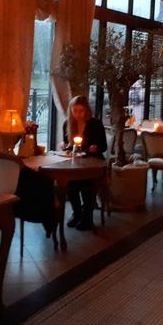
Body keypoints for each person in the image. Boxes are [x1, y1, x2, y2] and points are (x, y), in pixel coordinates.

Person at [62, 95, 107, 231]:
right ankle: (77, 213)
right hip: (75, 163)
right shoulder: (67, 124)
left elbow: (103, 146)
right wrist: (65, 146)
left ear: (87, 110)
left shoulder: (95, 124)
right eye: (75, 110)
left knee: (86, 182)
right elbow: (68, 147)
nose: (78, 114)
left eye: (81, 111)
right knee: (70, 183)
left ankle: (87, 217)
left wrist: (96, 148)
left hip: (94, 162)